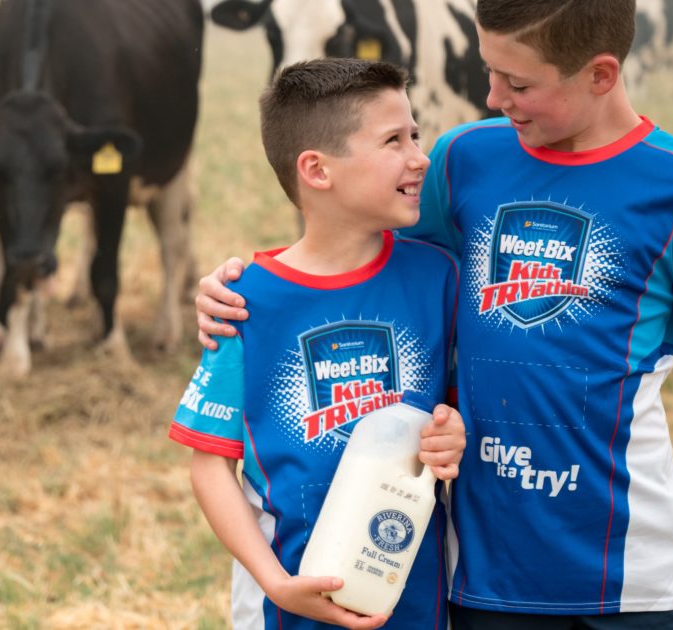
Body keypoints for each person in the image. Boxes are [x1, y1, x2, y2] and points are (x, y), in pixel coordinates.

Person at [195, 1, 673, 628]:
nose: (492, 97)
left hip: (641, 572)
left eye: (518, 84)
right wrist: (242, 287)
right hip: (482, 579)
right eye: (489, 71)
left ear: (600, 75)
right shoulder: (465, 159)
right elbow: (364, 263)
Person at [170, 58, 468, 630]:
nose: (418, 157)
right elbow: (210, 465)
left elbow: (457, 410)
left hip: (415, 604)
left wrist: (452, 433)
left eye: (416, 135)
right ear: (317, 170)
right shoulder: (244, 300)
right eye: (392, 140)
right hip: (286, 607)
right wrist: (276, 585)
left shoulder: (439, 279)